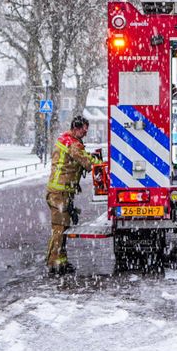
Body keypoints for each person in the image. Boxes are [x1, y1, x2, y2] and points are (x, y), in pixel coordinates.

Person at [45, 116, 101, 276]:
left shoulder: (66, 139)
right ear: (76, 128)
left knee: (63, 227)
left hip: (61, 192)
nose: (85, 132)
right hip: (59, 193)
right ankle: (53, 264)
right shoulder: (72, 143)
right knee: (59, 228)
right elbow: (87, 163)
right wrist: (96, 160)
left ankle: (60, 261)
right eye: (84, 129)